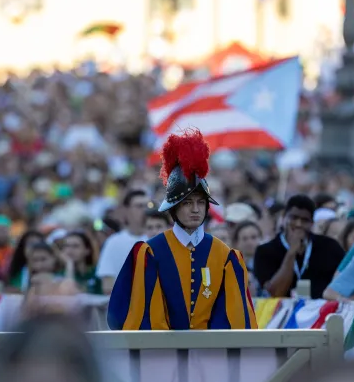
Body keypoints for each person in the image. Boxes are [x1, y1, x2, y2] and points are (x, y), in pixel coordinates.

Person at [107, 130, 257, 330]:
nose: (195, 209)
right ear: (174, 207)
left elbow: (234, 319)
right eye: (187, 203)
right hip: (162, 356)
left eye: (200, 202)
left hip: (209, 356)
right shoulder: (149, 252)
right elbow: (125, 315)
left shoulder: (225, 256)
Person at [254, 194, 345, 299]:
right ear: (284, 218)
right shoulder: (265, 251)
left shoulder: (330, 247)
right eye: (294, 218)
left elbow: (343, 283)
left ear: (312, 223)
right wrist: (291, 252)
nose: (298, 224)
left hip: (320, 312)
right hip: (280, 314)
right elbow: (276, 292)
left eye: (304, 220)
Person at [95, 189, 148, 294]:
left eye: (147, 205)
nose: (145, 210)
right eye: (139, 206)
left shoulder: (158, 238)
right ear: (126, 210)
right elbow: (107, 285)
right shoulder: (113, 242)